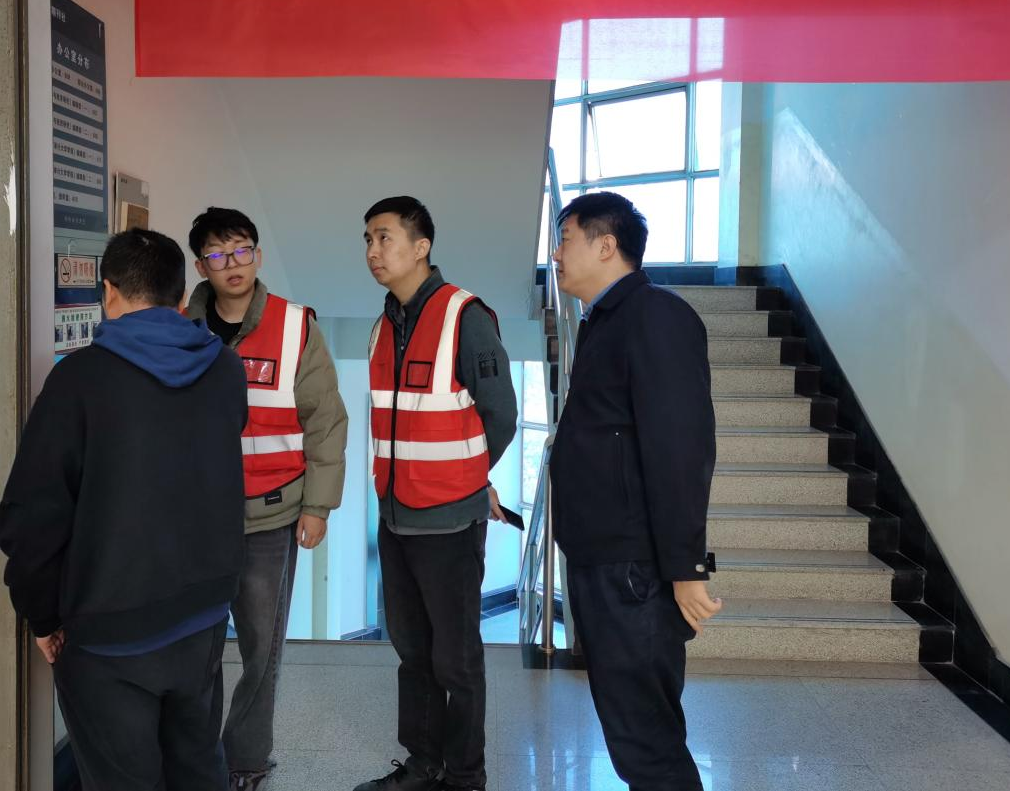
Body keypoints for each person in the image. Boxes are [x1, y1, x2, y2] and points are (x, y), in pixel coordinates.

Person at [0, 227, 248, 791]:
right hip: (203, 615)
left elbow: (32, 518)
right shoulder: (226, 370)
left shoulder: (79, 380)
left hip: (109, 631)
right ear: (180, 296)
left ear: (108, 291)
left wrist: (43, 616)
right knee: (197, 769)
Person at [549, 191, 722, 791]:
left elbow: (681, 449)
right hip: (603, 557)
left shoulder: (655, 316)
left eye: (565, 239)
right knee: (631, 731)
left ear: (606, 245)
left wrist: (685, 567)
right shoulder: (606, 321)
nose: (556, 254)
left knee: (646, 739)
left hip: (633, 568)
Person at [354, 196, 517, 791]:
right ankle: (423, 764)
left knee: (457, 660)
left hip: (450, 522)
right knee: (413, 654)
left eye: (385, 237)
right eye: (368, 240)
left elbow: (500, 416)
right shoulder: (383, 325)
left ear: (421, 247)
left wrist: (468, 479)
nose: (373, 251)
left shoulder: (463, 316)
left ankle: (465, 776)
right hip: (395, 517)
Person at [184, 206, 348, 791]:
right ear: (201, 265)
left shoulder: (295, 326)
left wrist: (317, 507)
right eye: (217, 253)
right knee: (196, 651)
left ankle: (246, 760)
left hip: (271, 518)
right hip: (197, 521)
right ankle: (196, 760)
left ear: (257, 254)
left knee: (261, 650)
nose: (232, 263)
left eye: (242, 249)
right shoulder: (181, 329)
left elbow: (325, 421)